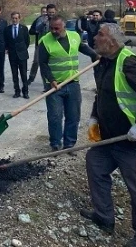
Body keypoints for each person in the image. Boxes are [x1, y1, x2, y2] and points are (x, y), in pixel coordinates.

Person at [81, 22, 136, 247]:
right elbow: (102, 95)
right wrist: (95, 116)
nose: (95, 38)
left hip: (133, 140)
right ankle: (104, 217)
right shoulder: (103, 62)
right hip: (109, 137)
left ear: (112, 41)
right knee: (95, 164)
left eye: (100, 35)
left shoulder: (129, 63)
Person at [38, 15, 98, 150]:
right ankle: (55, 143)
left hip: (73, 83)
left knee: (73, 115)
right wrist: (51, 80)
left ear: (63, 26)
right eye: (51, 28)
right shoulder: (45, 41)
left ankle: (69, 143)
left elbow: (82, 47)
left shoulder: (74, 36)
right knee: (55, 116)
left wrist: (94, 54)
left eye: (56, 28)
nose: (53, 31)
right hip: (54, 86)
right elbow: (43, 63)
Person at [3, 12, 31, 98]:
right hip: (12, 55)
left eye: (16, 18)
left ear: (19, 18)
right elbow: (5, 41)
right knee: (14, 75)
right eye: (13, 18)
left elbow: (27, 41)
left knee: (23, 74)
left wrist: (22, 49)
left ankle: (25, 92)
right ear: (11, 19)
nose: (14, 20)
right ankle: (17, 91)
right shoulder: (7, 29)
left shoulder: (24, 28)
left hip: (22, 55)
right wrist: (8, 49)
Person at [28, 4, 56, 84]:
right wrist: (43, 23)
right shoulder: (41, 19)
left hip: (54, 44)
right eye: (50, 12)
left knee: (51, 64)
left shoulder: (57, 19)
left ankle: (53, 81)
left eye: (53, 12)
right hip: (41, 45)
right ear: (47, 11)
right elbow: (36, 30)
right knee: (39, 62)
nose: (51, 14)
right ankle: (44, 84)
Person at [27, 6, 46, 84]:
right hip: (39, 44)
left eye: (46, 11)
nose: (44, 13)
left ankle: (47, 81)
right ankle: (31, 77)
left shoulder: (51, 20)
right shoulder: (38, 20)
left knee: (46, 63)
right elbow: (31, 31)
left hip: (48, 44)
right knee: (36, 62)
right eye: (43, 12)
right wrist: (37, 31)